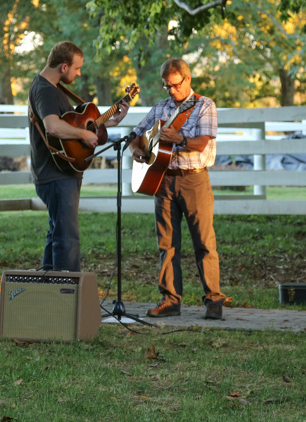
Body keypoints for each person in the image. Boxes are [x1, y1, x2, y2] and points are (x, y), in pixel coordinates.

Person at [128, 58, 227, 320]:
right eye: (166, 86)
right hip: (163, 179)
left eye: (175, 85)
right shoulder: (160, 108)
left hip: (194, 179)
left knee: (204, 241)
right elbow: (136, 134)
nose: (171, 91)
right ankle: (170, 299)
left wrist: (179, 138)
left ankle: (214, 300)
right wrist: (137, 150)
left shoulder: (205, 105)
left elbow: (202, 143)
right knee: (167, 243)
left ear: (187, 79)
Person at [28, 41, 129, 272]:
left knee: (57, 233)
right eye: (77, 68)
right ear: (64, 67)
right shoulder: (44, 89)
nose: (79, 73)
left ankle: (49, 289)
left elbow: (75, 124)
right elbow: (53, 127)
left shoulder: (55, 89)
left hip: (64, 171)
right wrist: (84, 133)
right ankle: (68, 293)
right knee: (67, 238)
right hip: (54, 173)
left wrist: (110, 122)